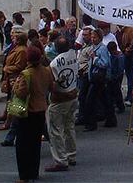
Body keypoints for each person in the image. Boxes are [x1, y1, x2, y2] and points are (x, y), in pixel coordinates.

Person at [14, 46, 53, 182]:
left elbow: (21, 93)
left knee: (23, 145)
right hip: (41, 110)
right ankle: (34, 171)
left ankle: (24, 175)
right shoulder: (46, 71)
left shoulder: (26, 74)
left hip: (28, 112)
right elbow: (50, 86)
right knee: (35, 143)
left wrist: (15, 86)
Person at [45, 36, 79, 172]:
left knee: (55, 131)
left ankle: (60, 160)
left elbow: (52, 85)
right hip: (73, 95)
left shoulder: (54, 64)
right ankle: (72, 155)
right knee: (69, 127)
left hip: (60, 99)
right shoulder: (73, 55)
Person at [84, 28, 114, 131]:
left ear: (100, 38)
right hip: (95, 77)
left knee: (90, 101)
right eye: (92, 37)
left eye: (95, 37)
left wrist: (95, 59)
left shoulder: (102, 49)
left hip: (99, 78)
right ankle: (111, 119)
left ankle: (91, 124)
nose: (92, 39)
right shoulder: (94, 47)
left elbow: (104, 63)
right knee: (104, 99)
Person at [75, 27, 93, 125]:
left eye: (86, 35)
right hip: (81, 74)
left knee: (83, 96)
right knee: (82, 96)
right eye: (83, 35)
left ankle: (84, 116)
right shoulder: (85, 45)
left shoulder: (91, 48)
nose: (84, 37)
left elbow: (90, 61)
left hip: (85, 74)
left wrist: (83, 70)